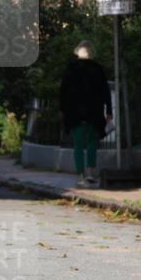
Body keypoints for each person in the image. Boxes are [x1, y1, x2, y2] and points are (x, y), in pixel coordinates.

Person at [59, 40, 112, 187]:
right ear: (92, 53)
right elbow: (105, 91)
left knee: (78, 145)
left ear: (78, 52)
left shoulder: (70, 69)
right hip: (94, 112)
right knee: (92, 144)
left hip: (74, 113)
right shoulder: (98, 69)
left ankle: (80, 175)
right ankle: (90, 173)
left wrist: (62, 110)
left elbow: (63, 91)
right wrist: (109, 111)